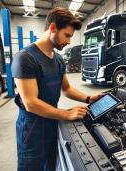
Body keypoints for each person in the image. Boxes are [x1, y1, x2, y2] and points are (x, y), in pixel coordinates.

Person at [11, 7, 103, 171]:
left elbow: (66, 88)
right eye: (67, 35)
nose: (69, 41)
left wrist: (89, 99)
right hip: (32, 131)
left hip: (53, 124)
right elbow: (30, 103)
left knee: (51, 167)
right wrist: (67, 114)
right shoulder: (25, 58)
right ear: (53, 28)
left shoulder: (58, 59)